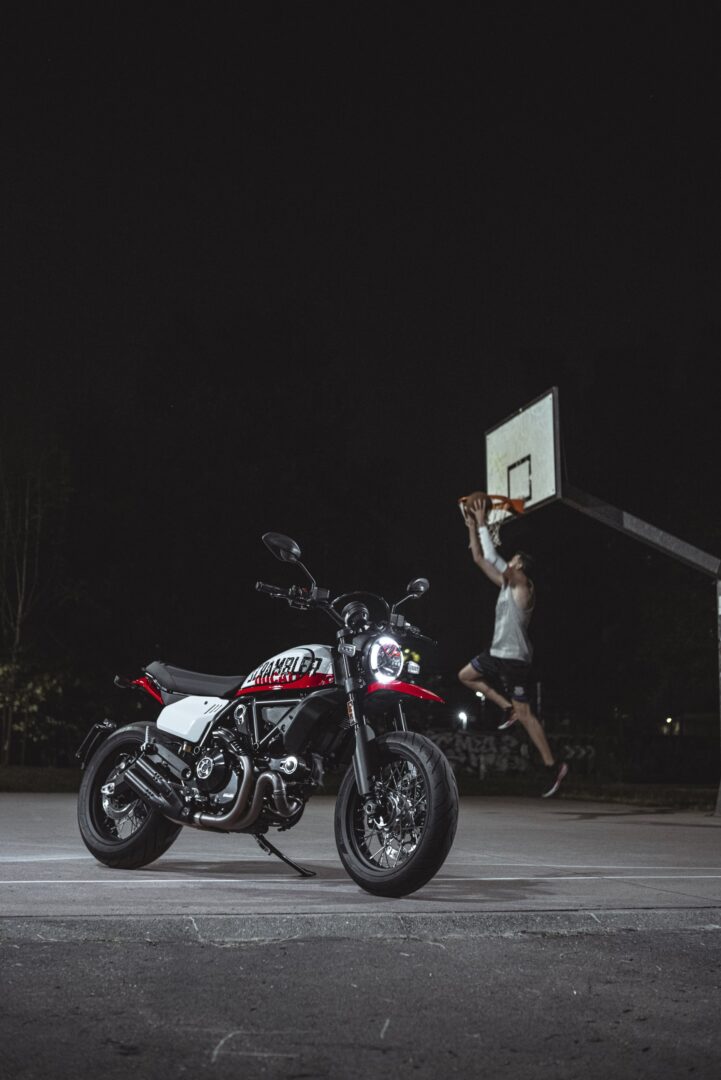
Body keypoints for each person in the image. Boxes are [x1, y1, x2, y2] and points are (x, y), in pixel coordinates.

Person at [457, 495, 568, 798]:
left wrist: (483, 521)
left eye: (514, 560)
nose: (510, 562)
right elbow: (479, 558)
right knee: (465, 676)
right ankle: (506, 707)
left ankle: (553, 766)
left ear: (519, 566)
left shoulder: (523, 584)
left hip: (515, 659)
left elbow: (493, 558)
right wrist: (472, 527)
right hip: (497, 653)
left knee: (527, 714)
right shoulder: (506, 585)